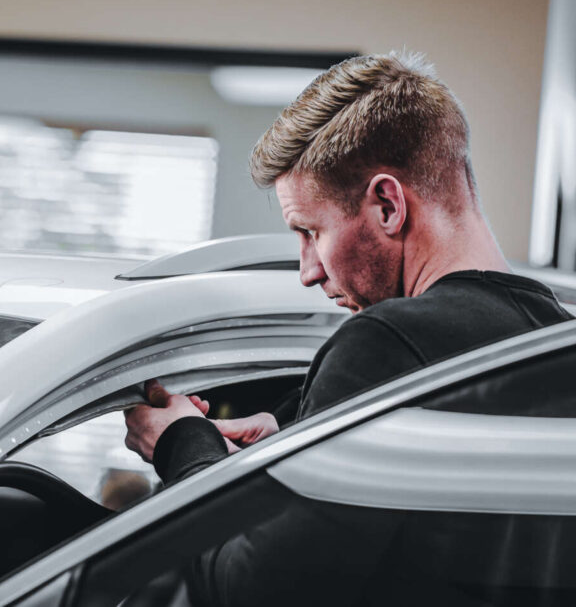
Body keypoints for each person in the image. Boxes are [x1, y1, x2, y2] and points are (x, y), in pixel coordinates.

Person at [121, 52, 574, 604]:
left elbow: (252, 593)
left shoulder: (388, 344)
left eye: (310, 231)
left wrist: (181, 444)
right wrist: (293, 443)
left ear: (387, 204)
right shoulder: (554, 339)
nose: (309, 270)